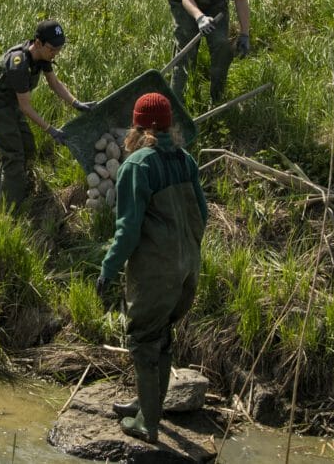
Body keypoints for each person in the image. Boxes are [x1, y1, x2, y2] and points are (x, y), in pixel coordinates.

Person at [95, 93, 207, 443]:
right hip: (188, 268)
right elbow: (202, 215)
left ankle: (148, 424)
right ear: (169, 125)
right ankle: (148, 405)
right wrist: (186, 252)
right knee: (162, 337)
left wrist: (108, 268)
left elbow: (128, 230)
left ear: (138, 126)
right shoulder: (185, 159)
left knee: (143, 340)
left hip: (157, 272)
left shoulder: (137, 165)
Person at [0, 19, 94, 208]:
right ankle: (11, 208)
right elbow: (25, 107)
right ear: (38, 43)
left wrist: (76, 103)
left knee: (28, 147)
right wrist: (51, 130)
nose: (56, 53)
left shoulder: (43, 56)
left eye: (59, 49)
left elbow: (54, 83)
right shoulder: (19, 64)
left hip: (12, 100)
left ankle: (13, 182)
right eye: (53, 49)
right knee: (14, 154)